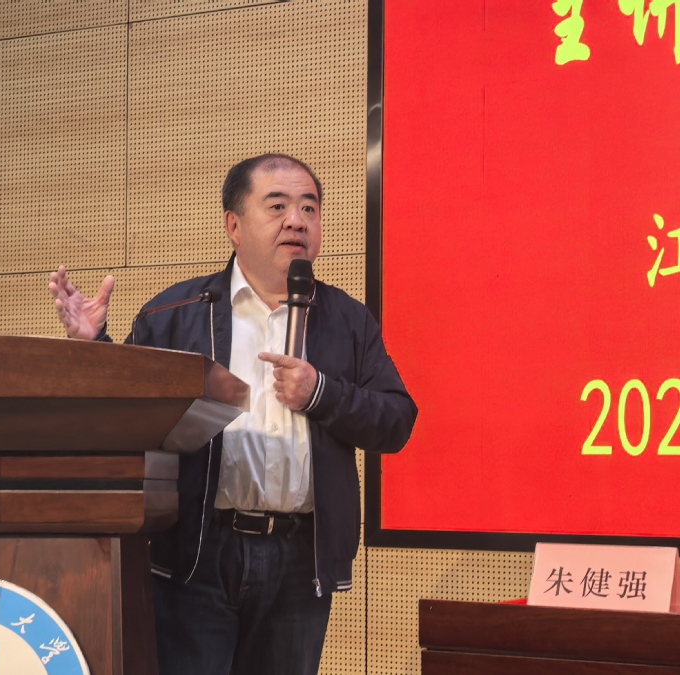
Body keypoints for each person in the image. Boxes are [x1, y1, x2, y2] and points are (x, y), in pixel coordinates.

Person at [49, 154, 416, 675]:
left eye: (309, 208)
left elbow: (397, 420)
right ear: (234, 225)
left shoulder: (348, 321)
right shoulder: (175, 314)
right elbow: (126, 421)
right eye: (278, 206)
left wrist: (320, 393)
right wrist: (97, 348)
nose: (297, 221)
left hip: (301, 558)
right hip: (199, 553)